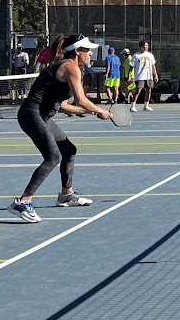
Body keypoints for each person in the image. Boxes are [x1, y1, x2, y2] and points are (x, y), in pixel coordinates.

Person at [9, 35, 111, 223]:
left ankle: (66, 194)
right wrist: (99, 110)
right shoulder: (70, 67)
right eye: (87, 50)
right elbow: (81, 100)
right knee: (53, 157)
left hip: (42, 116)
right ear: (77, 51)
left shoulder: (69, 67)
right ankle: (23, 202)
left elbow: (63, 105)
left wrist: (92, 112)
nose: (90, 53)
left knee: (68, 150)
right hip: (31, 114)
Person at [131, 40, 157, 111]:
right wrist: (130, 76)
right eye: (145, 46)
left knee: (148, 91)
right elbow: (131, 67)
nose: (146, 47)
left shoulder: (150, 55)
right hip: (139, 76)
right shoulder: (136, 55)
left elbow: (153, 66)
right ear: (140, 47)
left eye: (147, 46)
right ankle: (133, 106)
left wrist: (155, 75)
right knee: (138, 91)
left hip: (148, 77)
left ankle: (146, 106)